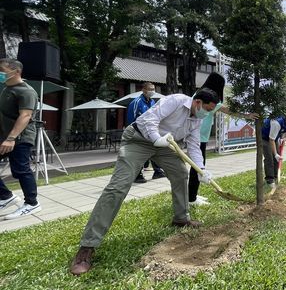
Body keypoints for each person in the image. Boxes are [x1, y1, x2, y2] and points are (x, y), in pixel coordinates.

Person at [69, 88, 219, 275]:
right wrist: (156, 139)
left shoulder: (198, 118)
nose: (208, 113)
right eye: (208, 108)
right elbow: (150, 119)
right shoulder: (176, 101)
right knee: (118, 187)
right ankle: (87, 247)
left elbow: (194, 146)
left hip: (166, 145)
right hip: (139, 140)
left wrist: (202, 170)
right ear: (197, 102)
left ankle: (181, 218)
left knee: (181, 174)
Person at [188, 73, 258, 206]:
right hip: (197, 137)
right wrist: (247, 115)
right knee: (197, 168)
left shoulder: (202, 96)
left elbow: (227, 110)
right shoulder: (209, 99)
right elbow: (229, 111)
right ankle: (191, 199)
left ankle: (192, 195)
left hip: (199, 136)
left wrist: (246, 115)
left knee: (197, 168)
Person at [0, 59, 41, 219]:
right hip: (5, 136)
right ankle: (6, 197)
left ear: (16, 71)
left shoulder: (26, 91)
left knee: (21, 169)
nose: (0, 74)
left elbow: (25, 115)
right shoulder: (6, 89)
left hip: (20, 137)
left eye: (2, 70)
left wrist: (11, 138)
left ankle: (32, 203)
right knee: (20, 169)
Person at [126, 82, 166, 183]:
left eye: (153, 89)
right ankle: (137, 175)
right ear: (143, 90)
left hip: (150, 132)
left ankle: (157, 171)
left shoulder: (153, 102)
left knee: (155, 150)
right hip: (138, 132)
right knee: (139, 153)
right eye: (150, 89)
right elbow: (131, 119)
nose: (152, 91)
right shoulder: (136, 102)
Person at [261, 109, 286, 192]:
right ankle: (270, 180)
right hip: (264, 138)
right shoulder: (276, 122)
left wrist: (281, 139)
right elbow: (271, 140)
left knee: (276, 159)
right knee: (270, 158)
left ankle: (275, 176)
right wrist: (275, 154)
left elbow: (283, 131)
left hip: (273, 138)